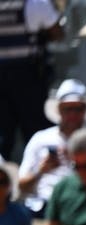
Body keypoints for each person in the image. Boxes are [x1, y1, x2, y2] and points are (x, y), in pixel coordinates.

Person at [18, 79, 86, 218]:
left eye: (78, 109)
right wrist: (42, 170)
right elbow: (21, 186)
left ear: (85, 110)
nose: (73, 114)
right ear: (59, 109)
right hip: (44, 206)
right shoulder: (40, 139)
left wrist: (77, 163)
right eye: (68, 109)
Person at [0, 0, 64, 161]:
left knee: (3, 137)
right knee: (37, 132)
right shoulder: (36, 3)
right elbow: (57, 33)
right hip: (28, 79)